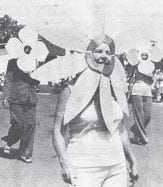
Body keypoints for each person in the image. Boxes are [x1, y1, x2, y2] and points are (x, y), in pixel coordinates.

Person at [53, 35, 138, 186]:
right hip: (84, 167)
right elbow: (58, 131)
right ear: (88, 53)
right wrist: (64, 162)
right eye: (99, 51)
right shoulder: (70, 90)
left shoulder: (116, 89)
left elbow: (121, 129)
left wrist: (132, 161)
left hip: (116, 166)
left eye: (108, 52)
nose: (104, 56)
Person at [1, 58, 40, 163]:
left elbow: (37, 81)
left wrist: (32, 74)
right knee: (18, 124)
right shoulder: (13, 62)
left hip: (30, 98)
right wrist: (5, 96)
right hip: (16, 97)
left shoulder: (35, 60)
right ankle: (10, 141)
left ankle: (25, 153)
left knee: (30, 126)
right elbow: (8, 78)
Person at [129, 61, 154, 145]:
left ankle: (134, 131)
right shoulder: (136, 66)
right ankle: (143, 137)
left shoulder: (150, 67)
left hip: (147, 91)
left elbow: (151, 80)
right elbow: (129, 77)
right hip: (137, 90)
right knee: (139, 115)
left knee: (148, 115)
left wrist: (149, 74)